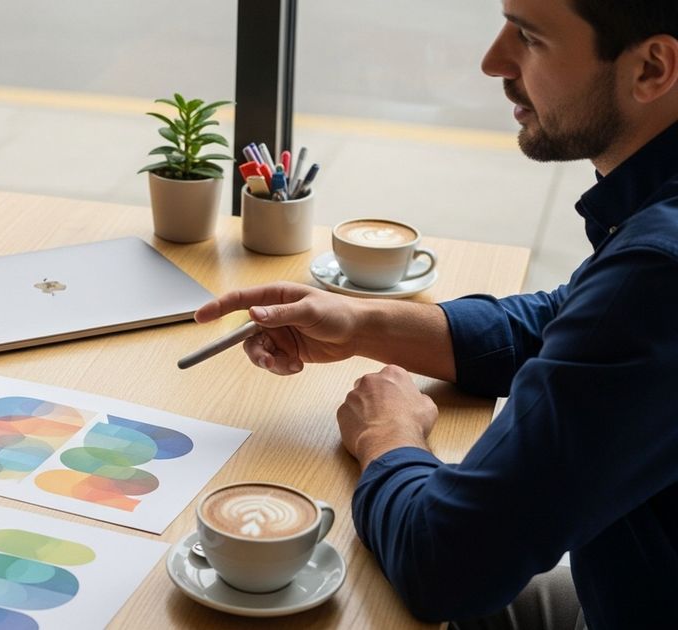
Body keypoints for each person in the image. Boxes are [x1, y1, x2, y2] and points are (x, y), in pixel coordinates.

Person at [196, 0, 677, 628]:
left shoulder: (659, 271)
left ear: (652, 68)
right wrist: (362, 323)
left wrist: (386, 435)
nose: (492, 60)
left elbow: (447, 563)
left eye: (529, 38)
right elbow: (569, 319)